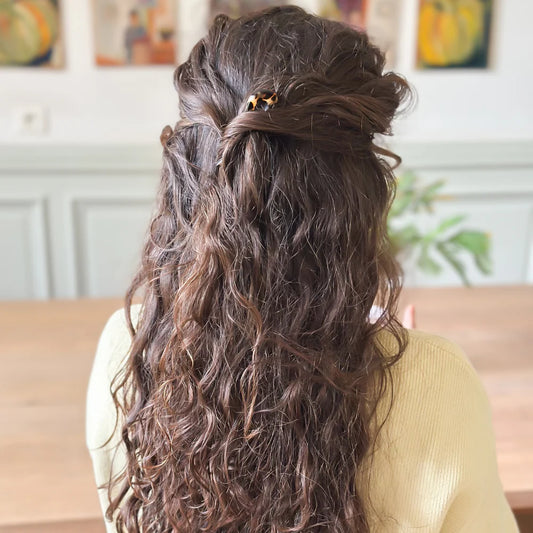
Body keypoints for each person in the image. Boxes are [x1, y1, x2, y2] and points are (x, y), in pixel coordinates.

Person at [86, 5, 518, 532]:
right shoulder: (437, 383)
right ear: (360, 199)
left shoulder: (127, 350)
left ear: (183, 181)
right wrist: (411, 369)